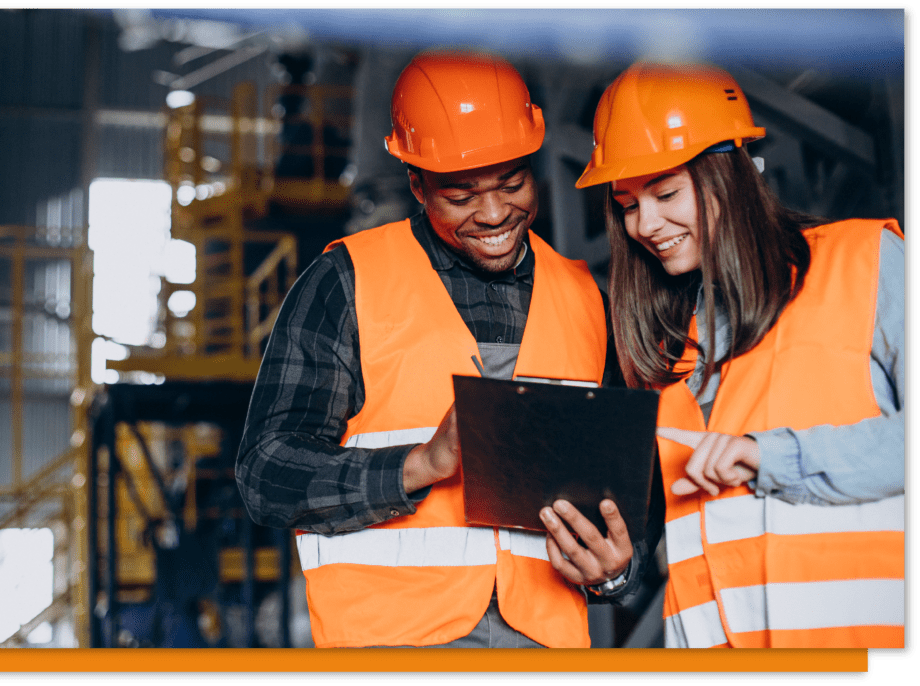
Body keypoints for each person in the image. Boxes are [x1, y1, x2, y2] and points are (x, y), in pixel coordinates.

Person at [237, 51, 662, 649]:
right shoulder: (346, 282)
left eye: (512, 183)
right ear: (415, 184)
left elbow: (634, 498)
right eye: (461, 196)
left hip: (544, 647)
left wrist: (616, 570)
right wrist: (422, 465)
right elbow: (265, 475)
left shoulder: (586, 299)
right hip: (392, 646)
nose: (494, 213)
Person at [574, 62, 905, 648]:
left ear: (732, 173)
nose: (645, 225)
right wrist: (615, 569)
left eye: (666, 191)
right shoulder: (662, 353)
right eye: (626, 203)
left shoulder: (865, 263)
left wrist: (768, 456)